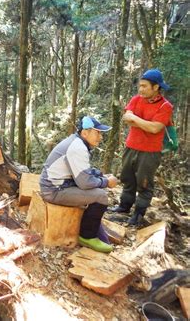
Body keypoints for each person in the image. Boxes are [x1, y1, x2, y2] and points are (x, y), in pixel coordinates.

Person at [39, 116, 118, 253]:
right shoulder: (78, 147)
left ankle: (95, 231)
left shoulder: (77, 142)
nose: (100, 137)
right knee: (101, 196)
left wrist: (100, 175)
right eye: (97, 132)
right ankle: (87, 236)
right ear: (85, 133)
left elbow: (82, 172)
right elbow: (85, 183)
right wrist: (106, 182)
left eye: (100, 133)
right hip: (54, 190)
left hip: (59, 185)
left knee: (96, 195)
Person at [110, 69, 173, 225]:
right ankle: (124, 207)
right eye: (140, 86)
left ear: (156, 87)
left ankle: (138, 215)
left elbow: (155, 128)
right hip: (131, 146)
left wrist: (135, 119)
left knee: (144, 182)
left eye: (145, 86)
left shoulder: (165, 106)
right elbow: (126, 118)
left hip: (150, 152)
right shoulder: (136, 99)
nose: (141, 89)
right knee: (127, 178)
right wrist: (142, 122)